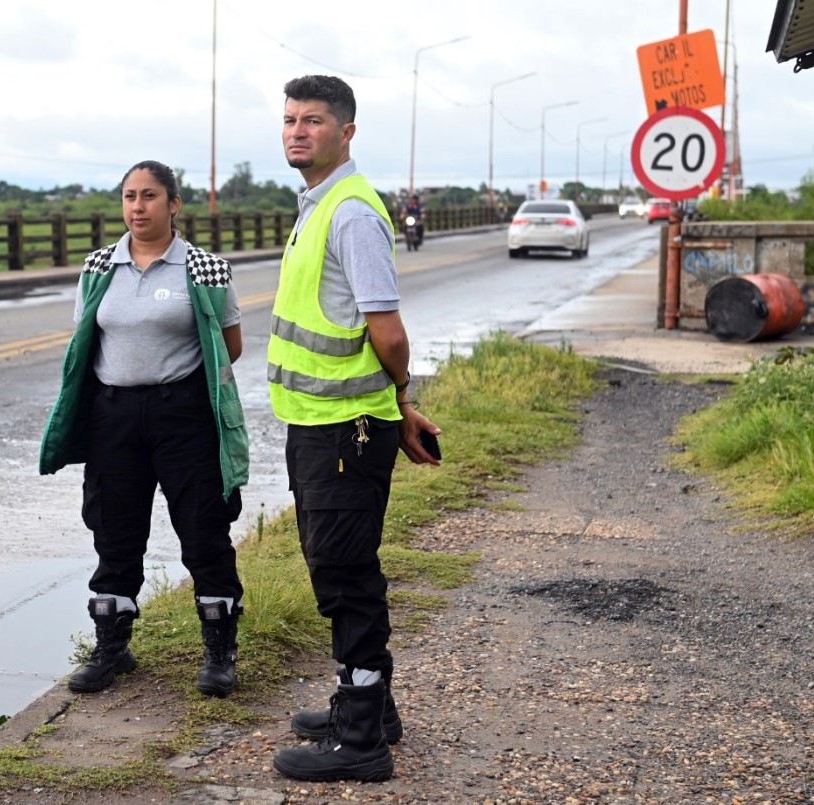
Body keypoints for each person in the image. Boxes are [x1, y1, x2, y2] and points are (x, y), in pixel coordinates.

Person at [267, 75, 442, 784]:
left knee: (345, 575)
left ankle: (362, 739)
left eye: (313, 120)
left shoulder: (351, 214)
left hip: (348, 429)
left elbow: (388, 333)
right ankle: (368, 703)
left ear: (346, 131)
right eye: (288, 120)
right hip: (322, 422)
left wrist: (399, 397)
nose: (297, 131)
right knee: (336, 565)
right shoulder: (317, 204)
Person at [39, 159, 250, 698]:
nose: (138, 207)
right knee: (114, 528)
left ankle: (220, 654)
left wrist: (173, 384)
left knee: (204, 530)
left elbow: (229, 346)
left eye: (150, 196)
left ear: (174, 204)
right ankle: (112, 649)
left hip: (182, 415)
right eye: (130, 196)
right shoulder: (97, 267)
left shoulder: (204, 268)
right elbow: (88, 339)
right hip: (113, 416)